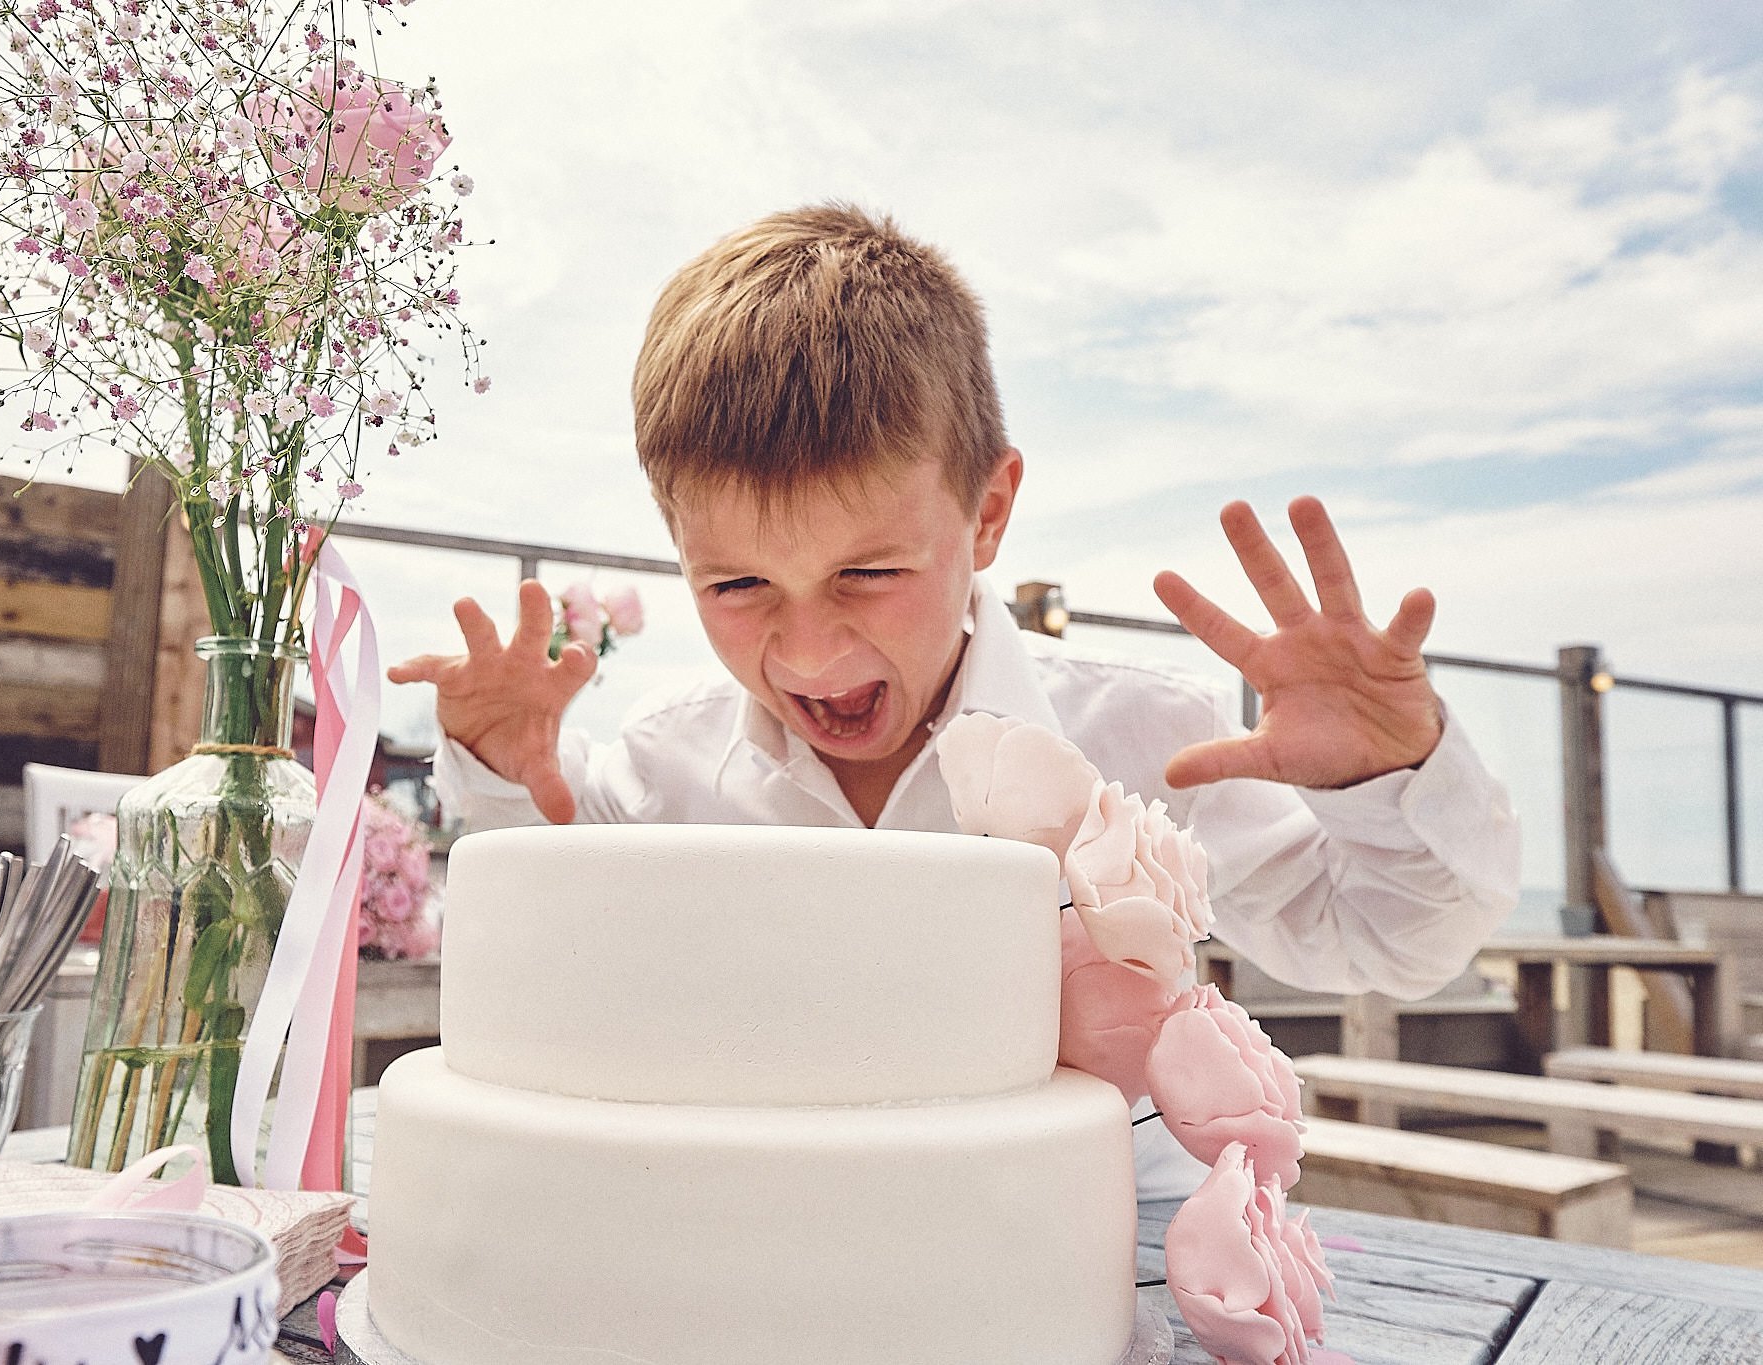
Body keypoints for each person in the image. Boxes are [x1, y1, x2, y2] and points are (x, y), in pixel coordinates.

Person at [386, 204, 1520, 1195]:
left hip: (1115, 1249)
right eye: (737, 586)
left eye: (866, 574)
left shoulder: (1137, 738)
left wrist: (1386, 773)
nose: (810, 644)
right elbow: (551, 916)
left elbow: (1387, 942)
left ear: (984, 513)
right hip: (771, 1245)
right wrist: (496, 765)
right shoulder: (666, 764)